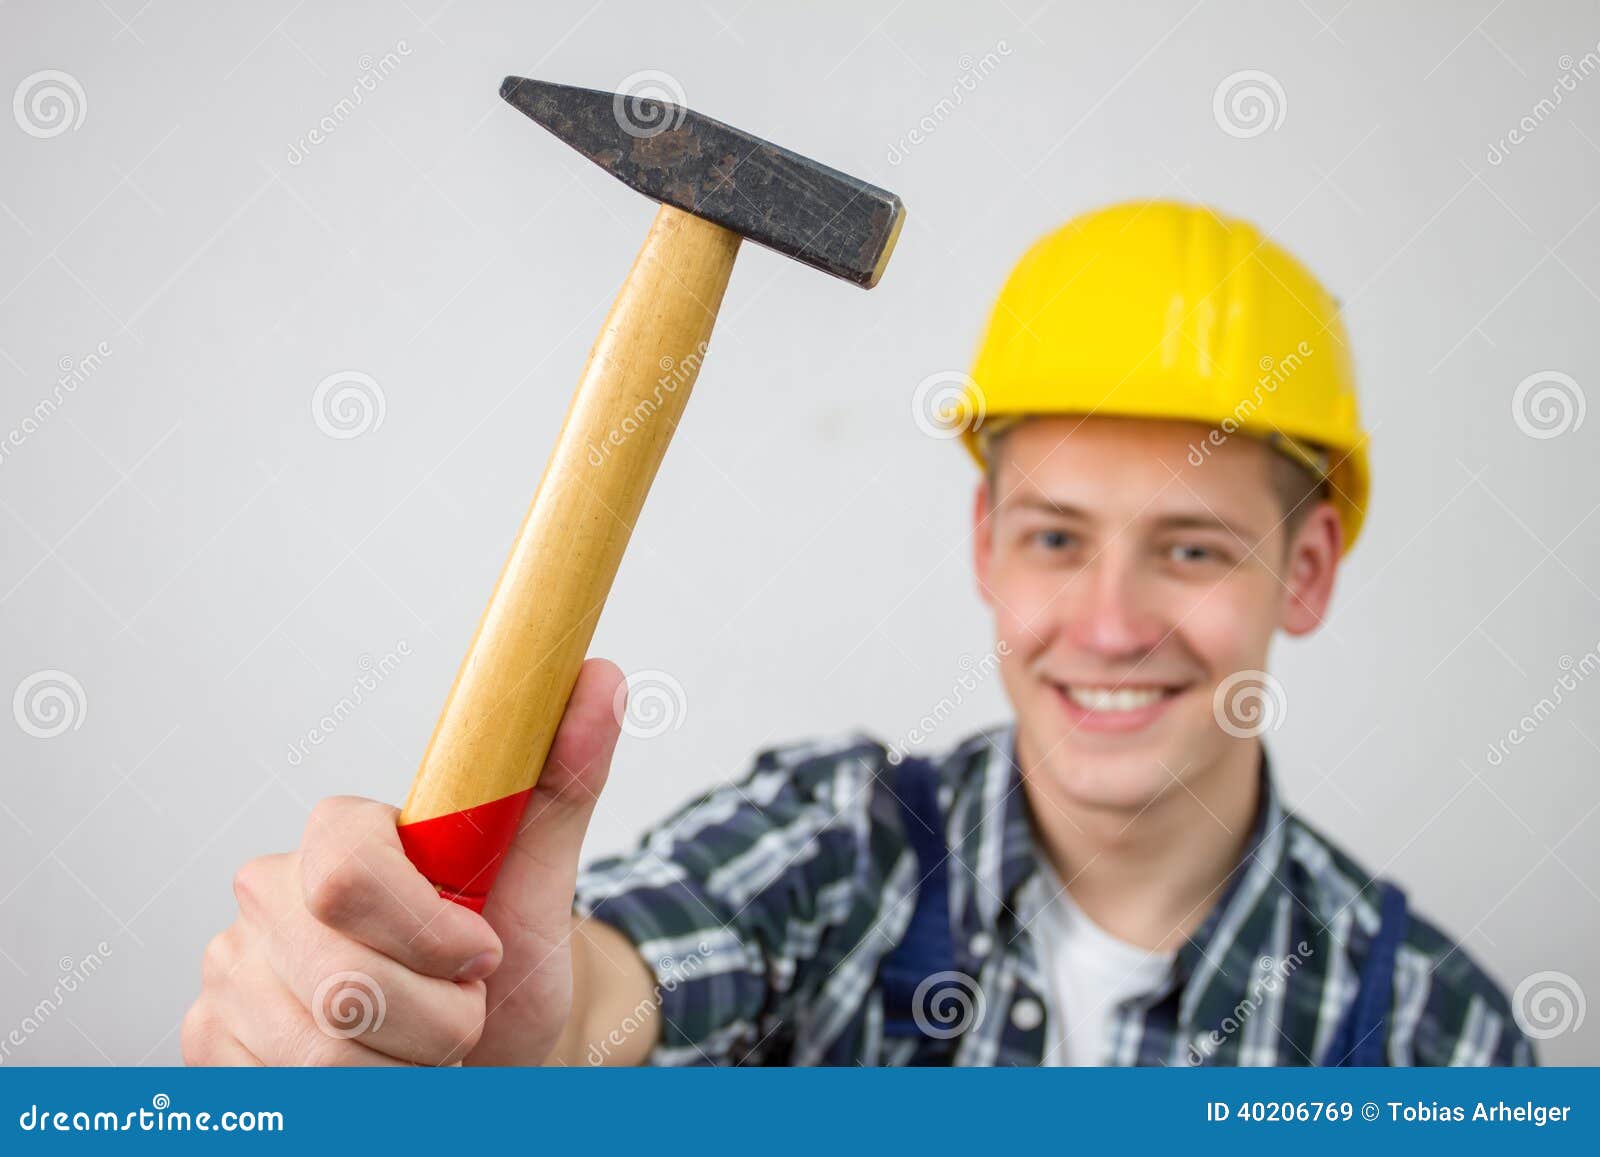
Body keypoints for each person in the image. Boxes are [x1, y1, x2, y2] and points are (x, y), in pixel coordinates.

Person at [182, 201, 1533, 1067]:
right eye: (1056, 536)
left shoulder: (1438, 1039)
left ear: (1306, 570)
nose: (1111, 624)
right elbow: (628, 989)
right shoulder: (839, 849)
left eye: (1191, 549)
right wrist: (532, 1033)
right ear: (985, 546)